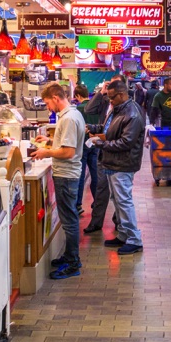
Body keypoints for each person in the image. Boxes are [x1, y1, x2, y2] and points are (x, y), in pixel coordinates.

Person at [31, 82, 86, 279]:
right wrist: (48, 142)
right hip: (67, 174)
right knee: (68, 219)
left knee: (70, 221)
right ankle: (69, 256)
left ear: (55, 98)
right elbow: (65, 144)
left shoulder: (68, 119)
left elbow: (68, 152)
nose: (48, 107)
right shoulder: (71, 114)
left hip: (66, 175)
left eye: (47, 103)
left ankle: (73, 263)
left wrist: (46, 152)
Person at [88, 79, 146, 255]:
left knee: (124, 201)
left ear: (122, 95)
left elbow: (126, 142)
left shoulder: (132, 114)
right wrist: (92, 127)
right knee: (118, 202)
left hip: (123, 164)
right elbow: (108, 130)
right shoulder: (117, 110)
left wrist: (100, 144)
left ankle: (134, 240)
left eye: (112, 98)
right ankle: (123, 234)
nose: (109, 101)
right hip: (113, 163)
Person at [74, 84, 107, 215]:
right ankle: (97, 202)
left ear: (77, 96)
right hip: (95, 143)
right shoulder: (98, 107)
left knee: (80, 176)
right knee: (95, 175)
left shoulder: (78, 109)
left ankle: (78, 204)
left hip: (82, 144)